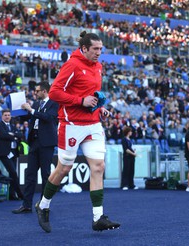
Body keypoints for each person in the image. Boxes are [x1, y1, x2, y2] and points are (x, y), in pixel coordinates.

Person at [34, 32, 120, 233]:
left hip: (93, 124)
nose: (99, 53)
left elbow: (91, 95)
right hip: (71, 124)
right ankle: (43, 205)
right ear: (84, 48)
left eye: (101, 49)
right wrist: (80, 102)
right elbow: (54, 92)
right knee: (64, 168)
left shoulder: (98, 66)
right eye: (95, 49)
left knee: (98, 166)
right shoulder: (72, 65)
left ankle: (98, 217)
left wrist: (99, 108)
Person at [12, 82, 59, 214]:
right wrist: (20, 110)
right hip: (34, 141)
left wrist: (31, 110)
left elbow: (48, 118)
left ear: (44, 91)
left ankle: (43, 205)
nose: (35, 93)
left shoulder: (54, 103)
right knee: (30, 174)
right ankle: (26, 205)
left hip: (46, 143)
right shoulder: (37, 104)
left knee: (45, 175)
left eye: (37, 91)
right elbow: (30, 116)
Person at [0, 109, 24, 201]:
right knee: (13, 173)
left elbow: (20, 135)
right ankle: (19, 193)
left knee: (12, 173)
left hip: (13, 152)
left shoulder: (12, 126)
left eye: (8, 115)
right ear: (2, 116)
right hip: (4, 153)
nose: (7, 117)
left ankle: (12, 194)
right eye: (5, 115)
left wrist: (12, 134)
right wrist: (13, 135)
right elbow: (3, 135)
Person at [121, 126, 138, 190]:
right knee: (126, 170)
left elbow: (131, 147)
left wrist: (134, 151)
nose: (131, 132)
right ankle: (125, 184)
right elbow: (126, 149)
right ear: (128, 132)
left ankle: (131, 184)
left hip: (132, 157)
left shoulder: (130, 140)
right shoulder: (124, 139)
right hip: (127, 157)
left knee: (131, 171)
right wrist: (133, 153)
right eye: (130, 131)